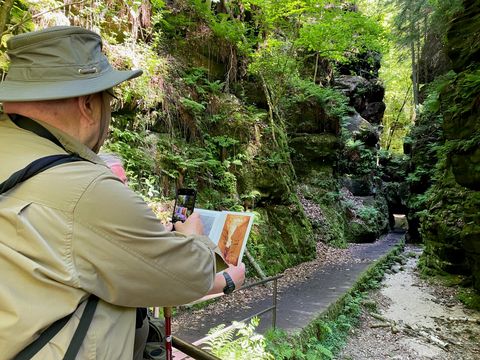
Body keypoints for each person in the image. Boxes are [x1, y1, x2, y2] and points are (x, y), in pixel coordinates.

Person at [0, 26, 244, 360]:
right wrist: (196, 240)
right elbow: (188, 277)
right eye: (108, 101)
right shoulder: (85, 189)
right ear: (88, 104)